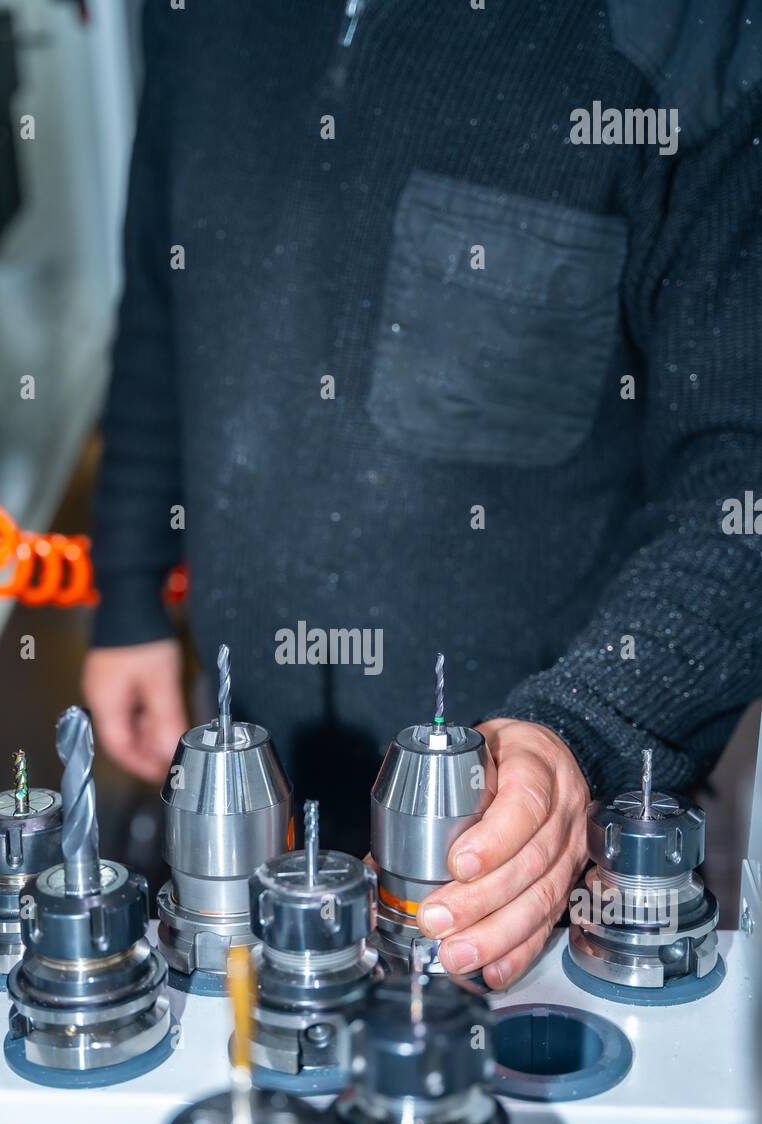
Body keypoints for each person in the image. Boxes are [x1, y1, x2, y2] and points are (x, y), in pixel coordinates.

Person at [82, 0, 762, 989]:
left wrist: (587, 734)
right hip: (258, 774)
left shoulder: (694, 33)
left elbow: (738, 473)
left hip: (529, 853)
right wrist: (130, 590)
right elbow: (159, 285)